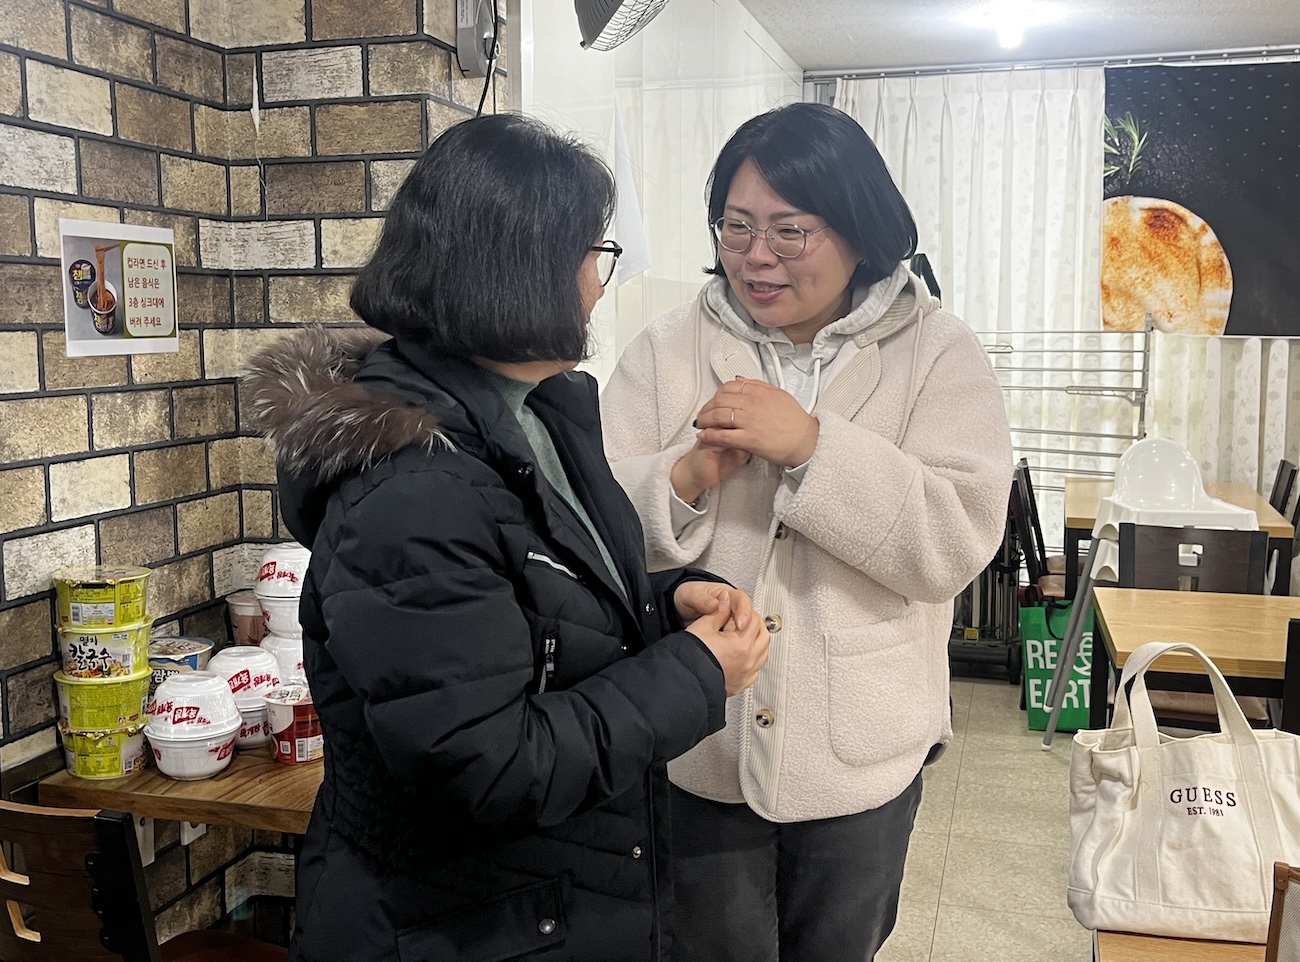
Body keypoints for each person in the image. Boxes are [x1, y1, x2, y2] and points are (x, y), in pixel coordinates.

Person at [243, 114, 769, 962]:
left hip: (542, 901)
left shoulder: (540, 413)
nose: (601, 282)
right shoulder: (411, 490)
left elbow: (532, 608)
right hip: (458, 924)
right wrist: (696, 674)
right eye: (595, 253)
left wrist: (663, 605)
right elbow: (484, 766)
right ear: (524, 270)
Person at [601, 102, 1013, 962]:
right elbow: (597, 532)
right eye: (737, 227)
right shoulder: (666, 350)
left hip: (861, 752)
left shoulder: (937, 352)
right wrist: (683, 478)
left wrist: (814, 448)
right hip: (701, 741)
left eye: (791, 231)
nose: (757, 256)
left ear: (859, 230)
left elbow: (953, 543)